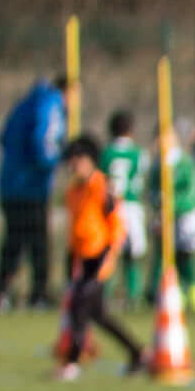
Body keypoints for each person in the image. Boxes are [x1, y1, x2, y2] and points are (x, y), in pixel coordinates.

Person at [53, 141, 148, 378]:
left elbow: (115, 223)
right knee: (98, 315)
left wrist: (109, 255)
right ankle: (138, 352)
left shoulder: (102, 187)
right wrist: (71, 257)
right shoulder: (73, 192)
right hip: (82, 257)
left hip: (100, 255)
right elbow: (75, 229)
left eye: (77, 161)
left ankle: (71, 362)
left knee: (79, 308)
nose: (74, 167)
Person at [0, 72, 69, 306]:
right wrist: (57, 162)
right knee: (38, 242)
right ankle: (39, 294)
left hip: (9, 184)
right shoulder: (50, 105)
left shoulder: (24, 103)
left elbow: (3, 138)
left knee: (14, 240)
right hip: (31, 186)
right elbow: (42, 142)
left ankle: (0, 291)